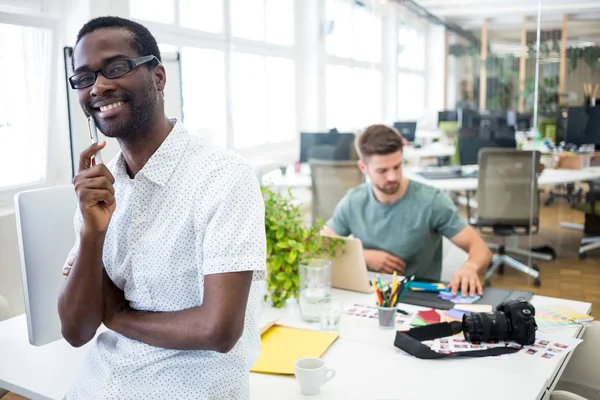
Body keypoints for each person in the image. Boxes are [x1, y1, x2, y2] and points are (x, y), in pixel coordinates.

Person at [57, 16, 266, 399]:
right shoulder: (100, 188)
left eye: (115, 68)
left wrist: (117, 315)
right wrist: (92, 233)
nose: (99, 86)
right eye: (84, 78)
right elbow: (76, 330)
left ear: (157, 77)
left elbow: (217, 330)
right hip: (96, 386)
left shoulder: (223, 178)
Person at [321, 124, 492, 297]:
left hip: (418, 297)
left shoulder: (431, 201)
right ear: (363, 168)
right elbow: (323, 244)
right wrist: (364, 256)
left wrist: (470, 267)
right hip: (370, 295)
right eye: (382, 170)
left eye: (397, 166)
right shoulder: (353, 201)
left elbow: (481, 250)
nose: (393, 177)